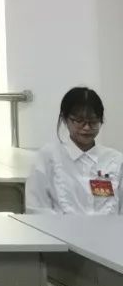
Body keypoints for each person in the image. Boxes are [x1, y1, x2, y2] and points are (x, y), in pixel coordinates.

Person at [26, 86, 122, 214]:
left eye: (93, 122)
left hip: (109, 228)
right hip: (57, 227)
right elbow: (37, 209)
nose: (87, 128)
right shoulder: (48, 157)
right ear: (65, 119)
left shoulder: (115, 160)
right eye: (79, 121)